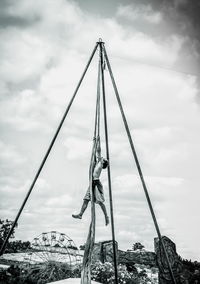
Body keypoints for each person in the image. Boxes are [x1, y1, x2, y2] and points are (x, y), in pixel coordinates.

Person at [72, 138, 109, 226]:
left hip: (95, 183)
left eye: (104, 159)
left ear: (103, 162)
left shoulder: (100, 163)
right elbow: (97, 152)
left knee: (100, 202)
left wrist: (97, 142)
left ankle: (106, 216)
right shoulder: (99, 163)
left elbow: (98, 151)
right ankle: (80, 214)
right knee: (86, 200)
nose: (103, 158)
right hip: (92, 183)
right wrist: (96, 142)